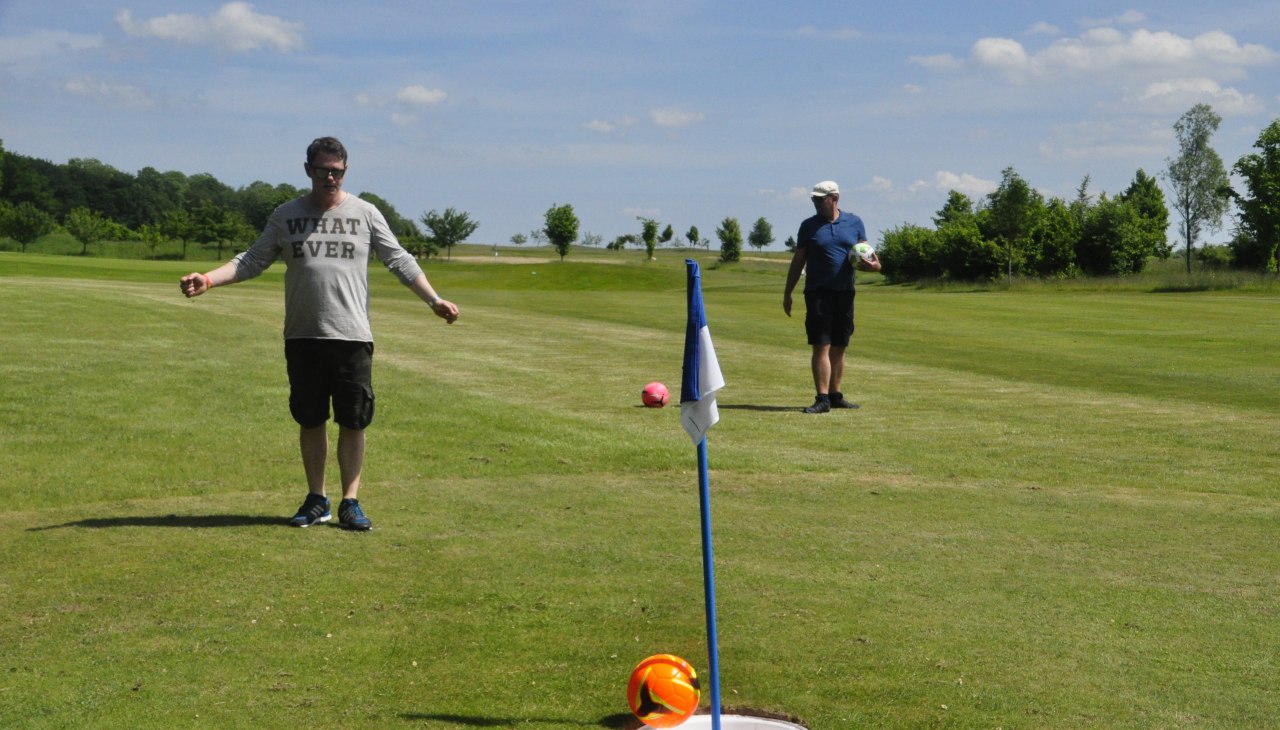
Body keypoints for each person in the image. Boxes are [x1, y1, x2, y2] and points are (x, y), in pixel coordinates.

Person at [180, 136, 459, 530]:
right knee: (310, 419)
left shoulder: (365, 213)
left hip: (351, 336)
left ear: (345, 170)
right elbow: (252, 260)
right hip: (303, 335)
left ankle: (350, 501)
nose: (330, 176)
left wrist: (434, 300)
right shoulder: (285, 215)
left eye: (337, 170)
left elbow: (399, 259)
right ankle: (317, 499)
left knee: (353, 420)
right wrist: (208, 279)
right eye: (323, 169)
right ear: (308, 169)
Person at [782, 180, 880, 414]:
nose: (815, 202)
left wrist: (874, 266)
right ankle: (822, 398)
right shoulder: (808, 226)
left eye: (820, 198)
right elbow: (798, 262)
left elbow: (869, 255)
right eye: (814, 198)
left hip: (845, 293)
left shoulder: (854, 222)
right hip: (818, 292)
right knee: (821, 344)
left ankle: (835, 395)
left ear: (834, 198)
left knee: (839, 345)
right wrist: (788, 293)